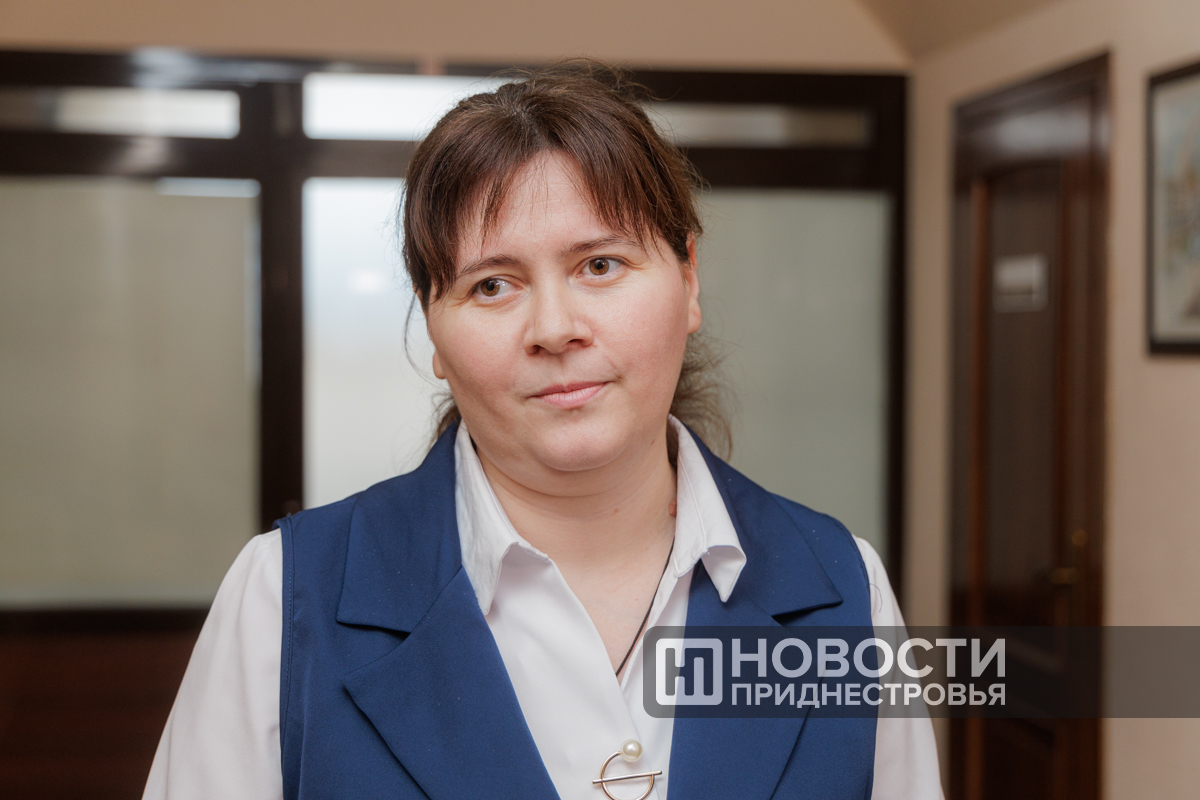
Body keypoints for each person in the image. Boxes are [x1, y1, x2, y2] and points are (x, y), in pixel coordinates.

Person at [143, 63, 941, 800]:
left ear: (689, 278)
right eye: (493, 285)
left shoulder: (843, 589)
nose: (555, 328)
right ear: (432, 329)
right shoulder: (286, 598)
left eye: (600, 265)